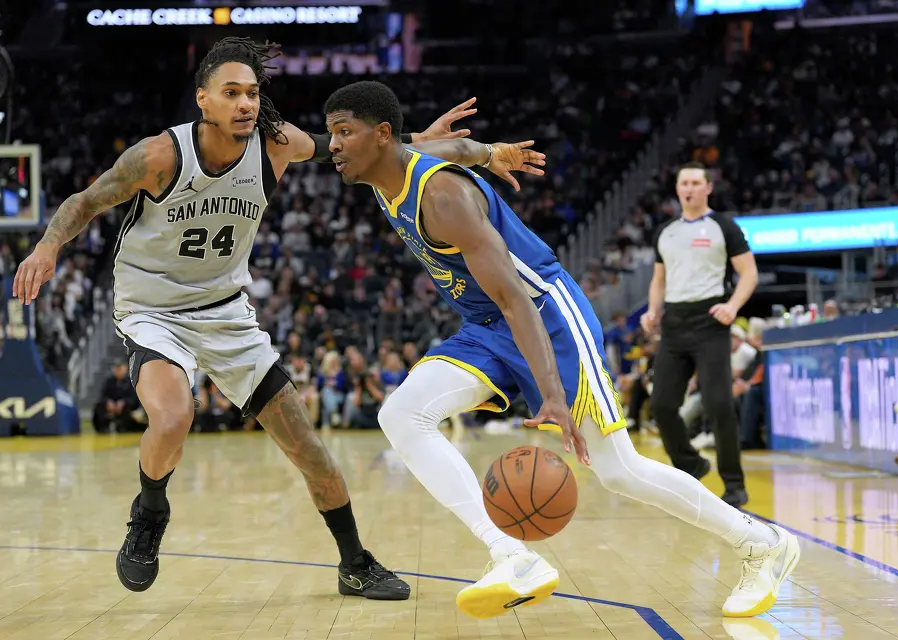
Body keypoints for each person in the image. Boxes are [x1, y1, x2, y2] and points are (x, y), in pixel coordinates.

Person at [12, 38, 538, 600]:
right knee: (172, 417)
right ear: (203, 101)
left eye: (252, 92)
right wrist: (47, 245)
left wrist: (469, 149)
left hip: (226, 314)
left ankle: (355, 563)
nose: (245, 103)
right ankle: (150, 512)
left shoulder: (276, 145)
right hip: (154, 310)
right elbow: (84, 202)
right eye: (231, 93)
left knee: (312, 452)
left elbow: (369, 149)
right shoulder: (160, 156)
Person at [322, 80, 800, 620]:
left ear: (382, 136)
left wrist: (550, 394)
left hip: (546, 315)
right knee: (403, 413)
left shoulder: (442, 196)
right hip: (487, 324)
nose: (332, 144)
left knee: (618, 471)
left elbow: (514, 297)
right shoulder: (390, 166)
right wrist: (490, 152)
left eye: (344, 132)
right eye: (332, 132)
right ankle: (510, 555)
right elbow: (454, 148)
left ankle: (760, 544)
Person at [641, 162, 759, 507]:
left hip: (711, 321)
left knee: (718, 403)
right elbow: (659, 279)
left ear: (708, 187)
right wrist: (653, 311)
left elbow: (749, 273)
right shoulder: (666, 231)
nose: (689, 188)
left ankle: (734, 484)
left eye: (695, 182)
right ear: (677, 190)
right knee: (661, 406)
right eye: (683, 184)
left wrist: (733, 306)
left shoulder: (724, 226)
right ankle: (690, 466)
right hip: (675, 324)